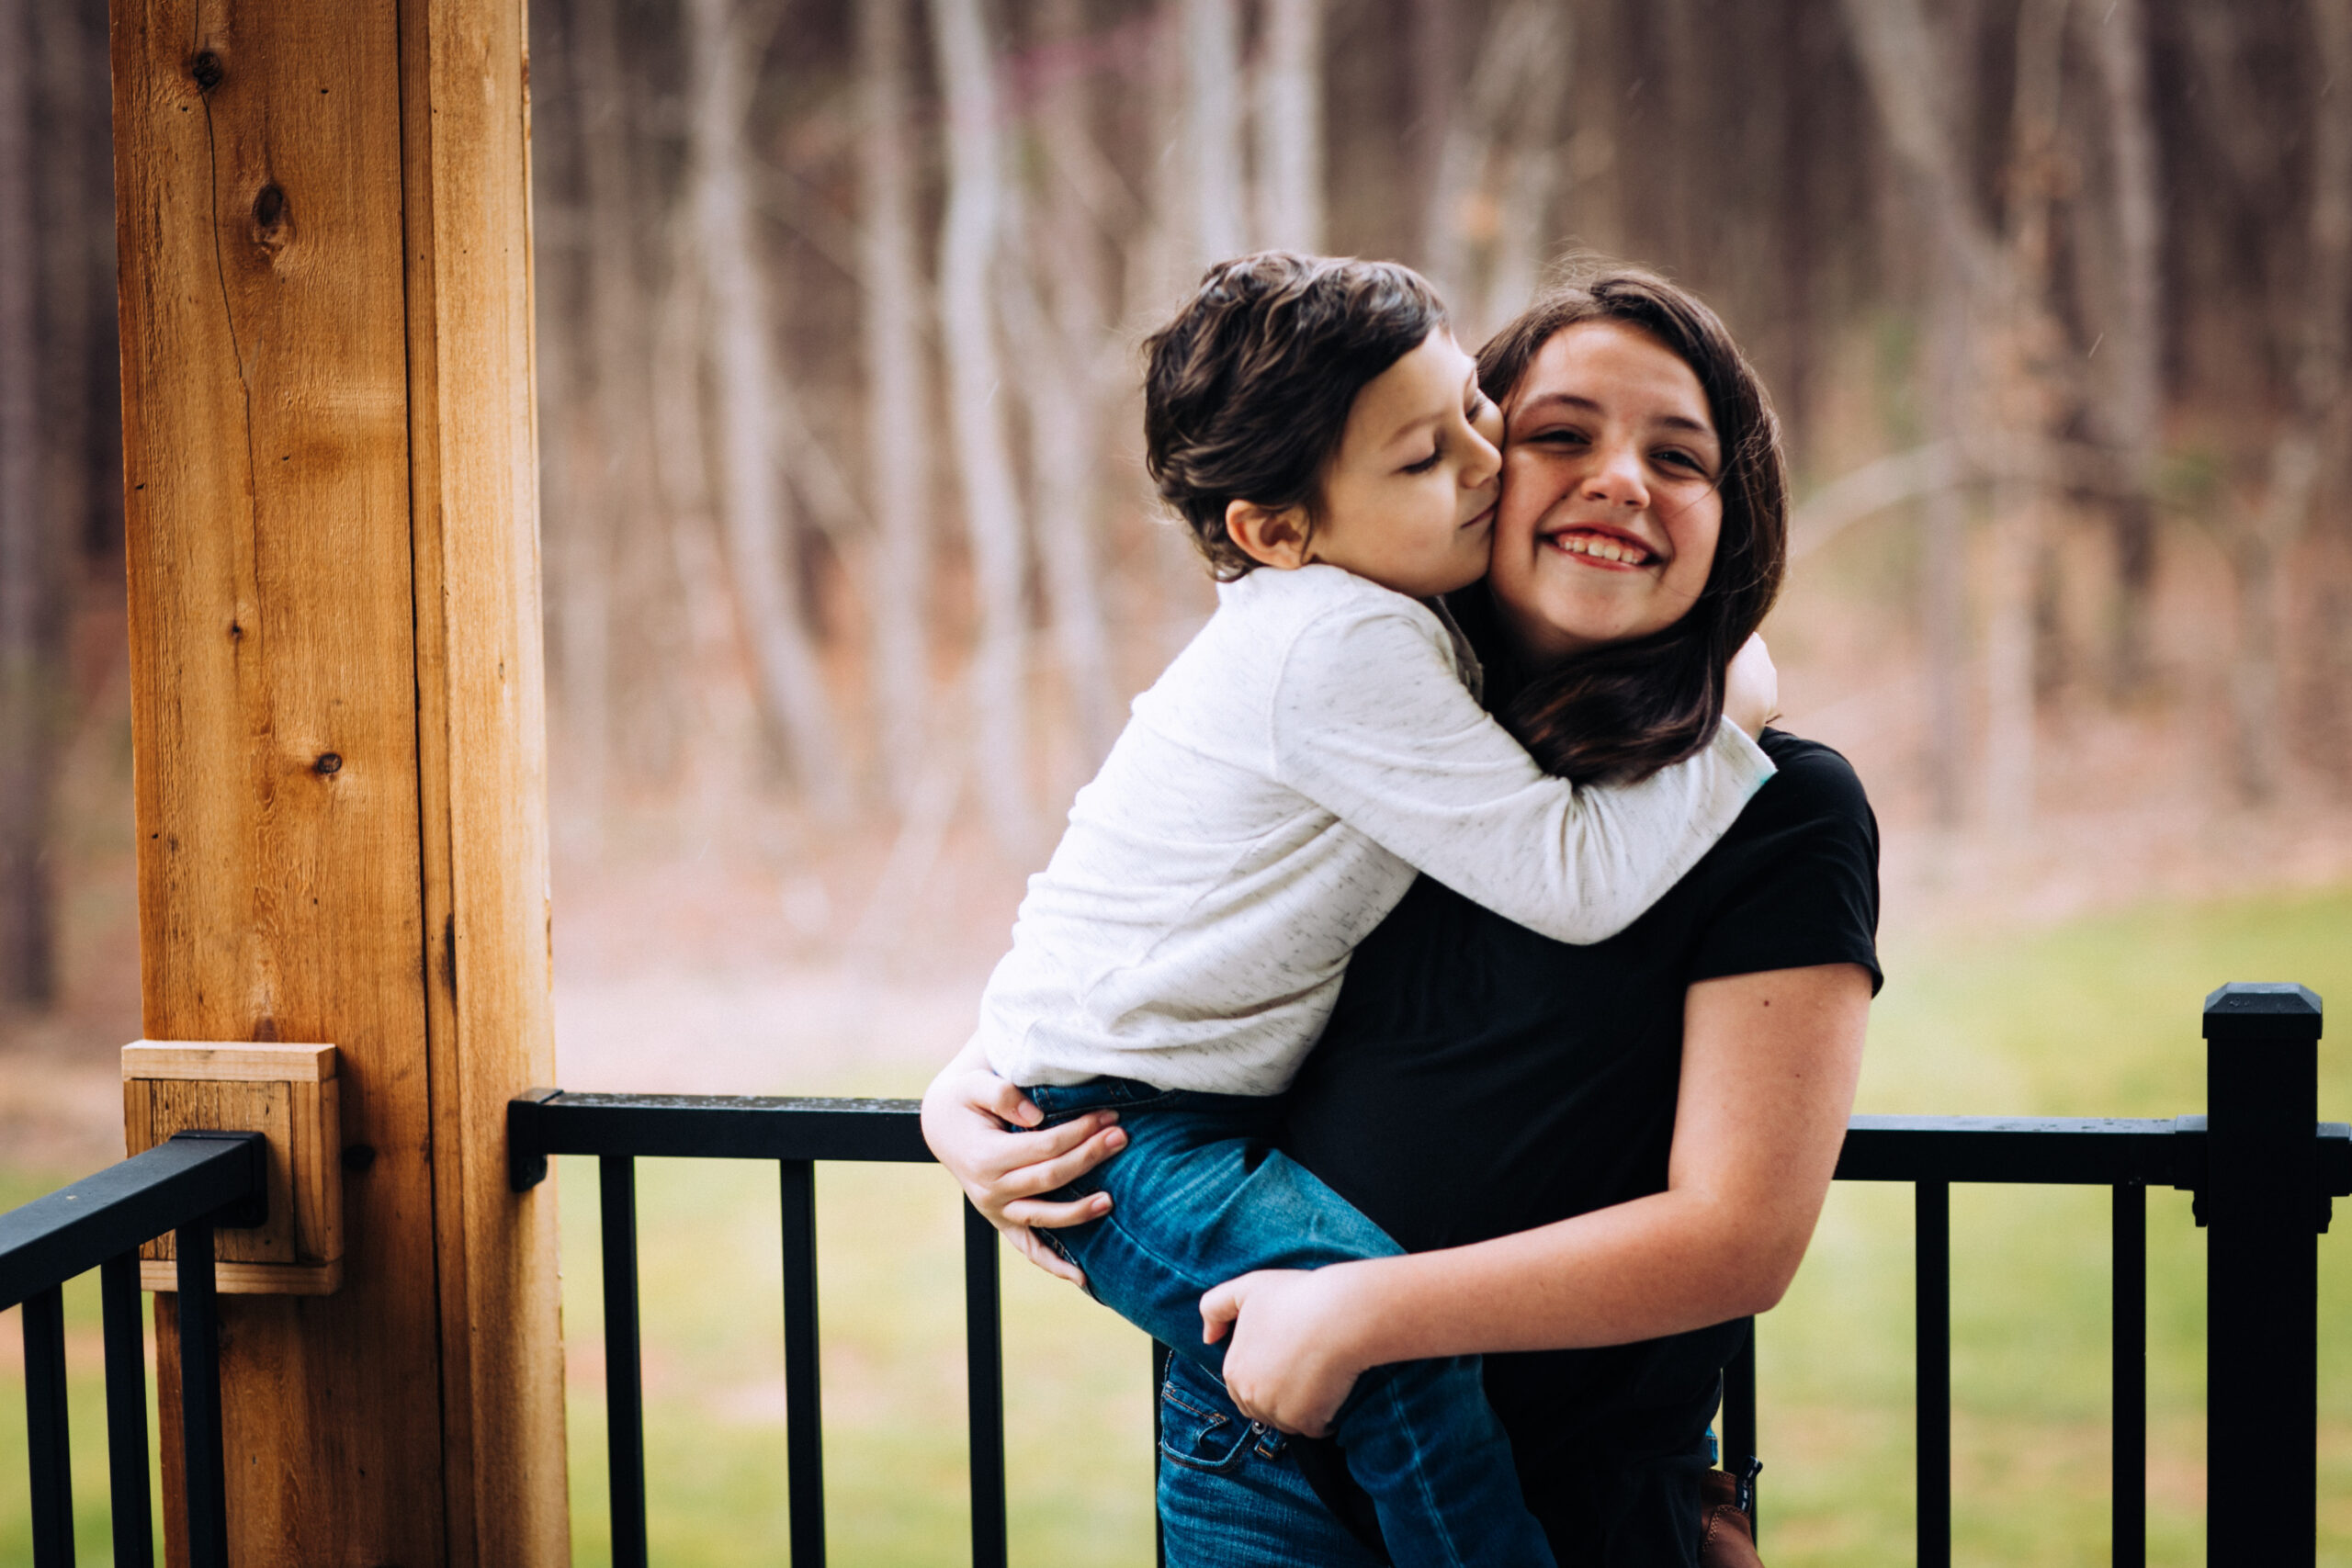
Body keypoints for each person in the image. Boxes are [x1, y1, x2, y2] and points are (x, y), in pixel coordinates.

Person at [925, 267, 1880, 1566]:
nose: (1619, 478)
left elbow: (1737, 1238)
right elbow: (1153, 919)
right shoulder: (1382, 710)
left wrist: (1372, 1313)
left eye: (1680, 455)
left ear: (1737, 509)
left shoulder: (1777, 808)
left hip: (1568, 1485)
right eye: (1557, 432)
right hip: (1255, 1450)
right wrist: (973, 1093)